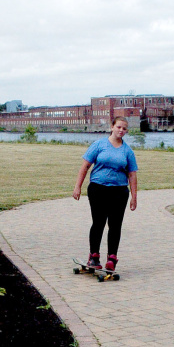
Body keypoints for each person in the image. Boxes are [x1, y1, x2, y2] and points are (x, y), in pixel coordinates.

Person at [72, 116, 138, 271]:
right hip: (98, 189)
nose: (121, 130)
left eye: (124, 128)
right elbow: (85, 166)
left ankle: (112, 258)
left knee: (115, 225)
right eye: (119, 127)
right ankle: (94, 256)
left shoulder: (127, 151)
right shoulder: (99, 145)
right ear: (112, 127)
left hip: (119, 192)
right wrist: (77, 187)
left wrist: (134, 197)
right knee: (99, 222)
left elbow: (132, 175)